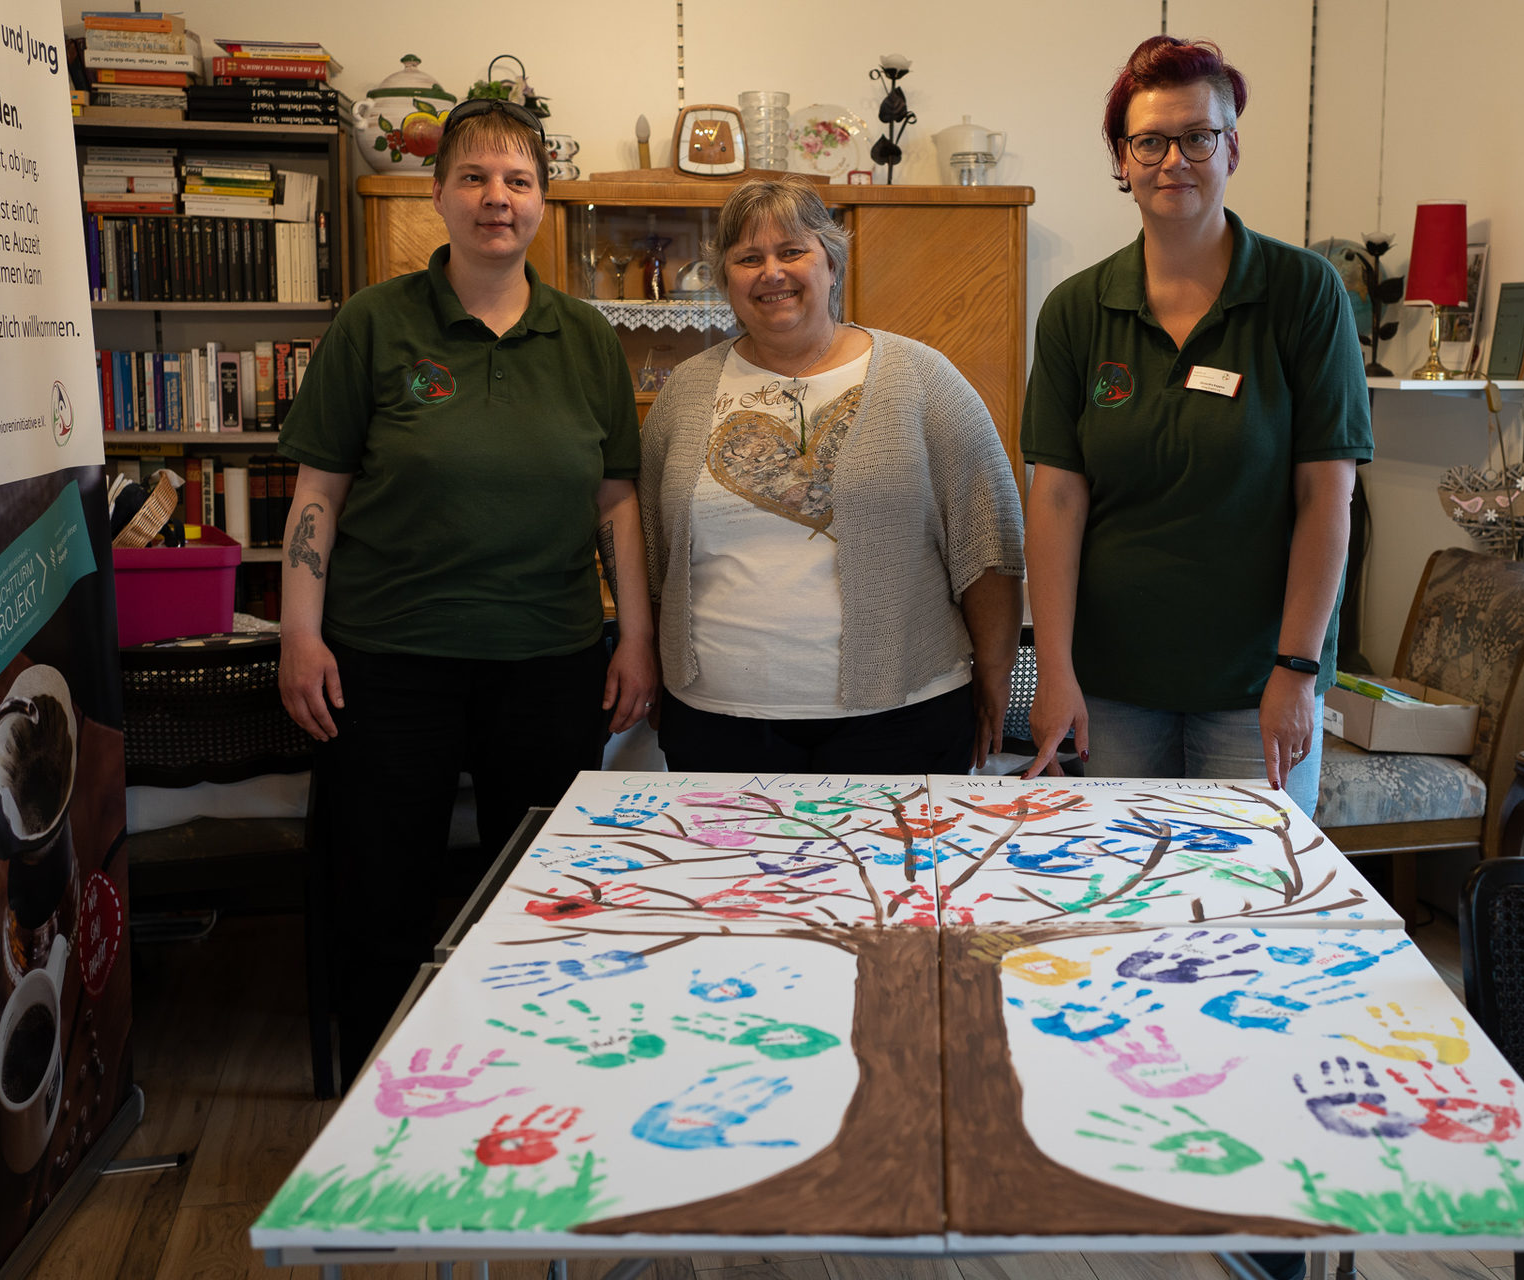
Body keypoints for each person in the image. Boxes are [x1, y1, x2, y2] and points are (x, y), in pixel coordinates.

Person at [275, 97, 656, 1080]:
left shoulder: (586, 337)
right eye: (475, 177)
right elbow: (318, 490)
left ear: (542, 203)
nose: (497, 197)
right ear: (438, 195)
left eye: (518, 180)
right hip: (386, 663)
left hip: (549, 660)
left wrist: (636, 638)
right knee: (380, 895)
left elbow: (617, 502)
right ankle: (381, 1092)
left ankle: (532, 1080)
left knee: (543, 897)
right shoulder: (374, 323)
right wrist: (298, 635)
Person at [1021, 34, 1372, 830]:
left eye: (1197, 137)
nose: (1173, 160)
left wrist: (1297, 671)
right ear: (1122, 158)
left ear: (1232, 148)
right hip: (1114, 688)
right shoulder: (1076, 310)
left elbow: (1327, 497)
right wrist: (1055, 670)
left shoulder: (1303, 293)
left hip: (1256, 687)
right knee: (1119, 886)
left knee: (1249, 892)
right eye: (1150, 141)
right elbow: (1058, 503)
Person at [640, 176, 1023, 774]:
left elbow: (989, 542)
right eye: (748, 258)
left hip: (901, 715)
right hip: (716, 718)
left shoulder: (923, 378)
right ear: (725, 277)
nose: (771, 273)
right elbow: (651, 551)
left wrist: (995, 674)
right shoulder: (684, 391)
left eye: (792, 251)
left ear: (832, 262)